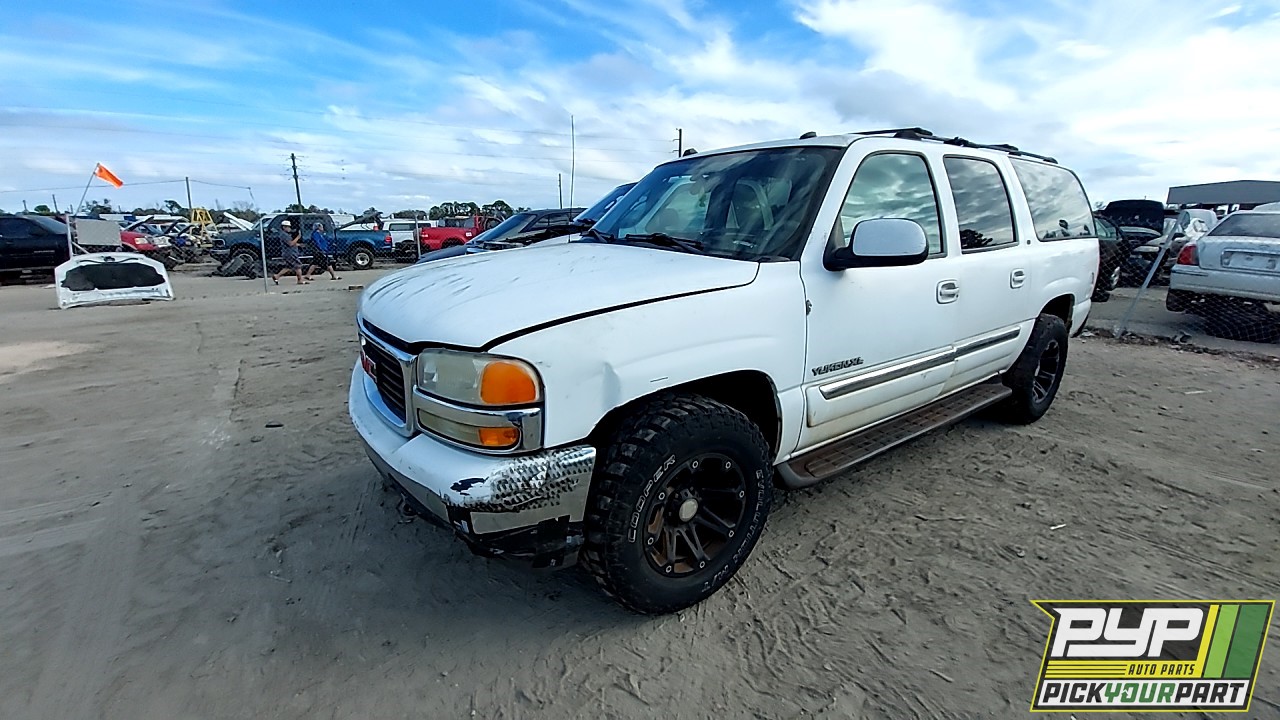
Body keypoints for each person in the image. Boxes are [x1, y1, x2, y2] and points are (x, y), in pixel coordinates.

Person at [271, 219, 308, 285]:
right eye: (288, 227)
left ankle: (277, 276)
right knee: (298, 266)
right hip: (290, 253)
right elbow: (290, 244)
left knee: (289, 266)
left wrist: (299, 245)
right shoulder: (284, 235)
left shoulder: (286, 234)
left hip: (289, 252)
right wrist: (298, 237)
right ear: (284, 227)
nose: (289, 228)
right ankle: (300, 280)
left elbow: (292, 244)